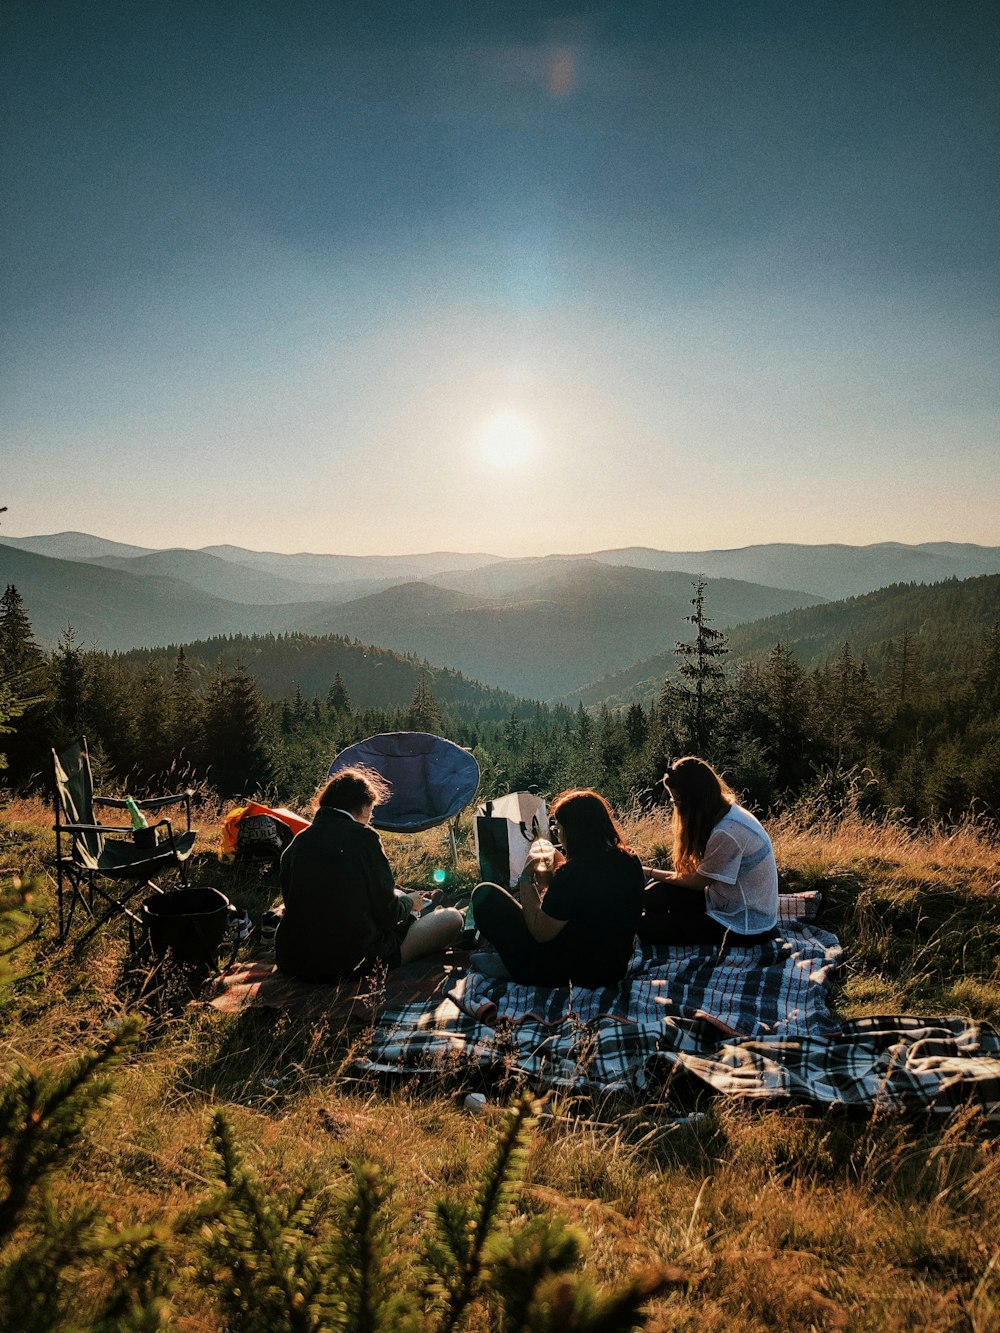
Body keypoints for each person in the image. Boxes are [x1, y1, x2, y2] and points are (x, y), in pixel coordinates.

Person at [275, 766, 463, 983]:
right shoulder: (365, 838)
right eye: (371, 809)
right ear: (363, 806)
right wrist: (409, 904)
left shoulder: (299, 841)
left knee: (396, 894)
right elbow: (387, 914)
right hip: (352, 962)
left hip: (294, 960)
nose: (371, 816)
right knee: (452, 919)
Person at [470, 788, 645, 987]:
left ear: (574, 832)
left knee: (485, 895)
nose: (558, 835)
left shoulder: (573, 875)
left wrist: (526, 878)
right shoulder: (630, 860)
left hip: (563, 973)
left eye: (559, 829)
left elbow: (540, 932)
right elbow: (586, 901)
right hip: (614, 969)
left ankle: (514, 968)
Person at [638, 756, 778, 947]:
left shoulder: (727, 832)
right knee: (653, 894)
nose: (675, 805)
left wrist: (648, 871)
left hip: (744, 923)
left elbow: (696, 882)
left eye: (675, 800)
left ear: (693, 800)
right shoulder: (724, 812)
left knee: (648, 927)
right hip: (723, 899)